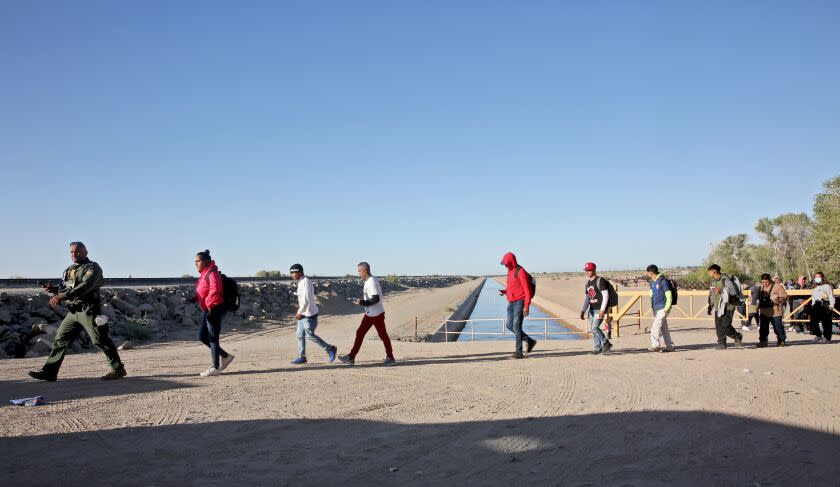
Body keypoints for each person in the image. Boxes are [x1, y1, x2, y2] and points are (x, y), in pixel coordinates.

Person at [28, 242, 126, 382]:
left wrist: (61, 296)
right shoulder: (69, 269)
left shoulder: (93, 268)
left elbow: (85, 286)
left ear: (85, 251)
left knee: (100, 340)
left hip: (88, 311)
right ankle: (49, 372)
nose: (74, 254)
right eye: (72, 252)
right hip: (73, 312)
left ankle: (118, 369)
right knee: (60, 340)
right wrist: (55, 290)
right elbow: (66, 288)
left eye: (77, 251)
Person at [338, 262, 396, 366]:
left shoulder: (372, 281)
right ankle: (351, 357)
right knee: (360, 333)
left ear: (365, 270)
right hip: (370, 313)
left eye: (359, 271)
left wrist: (361, 302)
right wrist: (362, 302)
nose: (359, 274)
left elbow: (375, 299)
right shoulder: (368, 281)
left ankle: (390, 357)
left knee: (383, 335)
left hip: (377, 314)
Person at [193, 250, 234, 377]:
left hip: (215, 307)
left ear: (205, 261)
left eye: (198, 261)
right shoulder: (205, 273)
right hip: (209, 308)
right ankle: (225, 356)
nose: (196, 264)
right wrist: (194, 299)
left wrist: (210, 306)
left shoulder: (212, 272)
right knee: (203, 337)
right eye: (195, 262)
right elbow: (204, 290)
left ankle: (214, 367)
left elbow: (215, 290)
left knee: (212, 337)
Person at [289, 263, 337, 365]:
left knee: (309, 335)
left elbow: (306, 301)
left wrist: (299, 312)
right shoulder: (301, 282)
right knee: (299, 335)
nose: (291, 275)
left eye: (293, 273)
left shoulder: (306, 282)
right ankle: (302, 357)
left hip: (309, 315)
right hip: (303, 314)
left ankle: (330, 349)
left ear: (299, 272)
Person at [498, 252, 537, 359]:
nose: (505, 266)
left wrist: (527, 305)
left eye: (506, 264)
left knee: (516, 326)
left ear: (511, 262)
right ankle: (529, 340)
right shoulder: (510, 272)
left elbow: (527, 290)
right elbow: (512, 286)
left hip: (520, 301)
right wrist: (505, 291)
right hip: (511, 303)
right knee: (509, 325)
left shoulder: (520, 272)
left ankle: (518, 352)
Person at [707, 264, 744, 349]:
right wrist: (710, 306)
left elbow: (733, 292)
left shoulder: (726, 280)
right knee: (719, 326)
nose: (709, 274)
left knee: (725, 325)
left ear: (714, 272)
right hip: (717, 307)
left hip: (728, 306)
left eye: (709, 272)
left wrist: (720, 290)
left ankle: (737, 336)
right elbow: (711, 295)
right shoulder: (712, 282)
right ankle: (722, 343)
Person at [580, 262, 614, 355]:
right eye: (586, 270)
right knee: (593, 329)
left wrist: (603, 309)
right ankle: (597, 348)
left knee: (595, 328)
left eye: (588, 270)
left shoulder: (600, 280)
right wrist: (583, 311)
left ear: (594, 270)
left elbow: (605, 295)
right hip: (591, 310)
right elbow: (587, 298)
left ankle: (606, 343)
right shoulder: (588, 283)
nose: (587, 272)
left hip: (599, 308)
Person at [646, 265, 675, 352]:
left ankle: (655, 345)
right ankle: (669, 345)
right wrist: (653, 307)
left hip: (663, 308)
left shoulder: (663, 281)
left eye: (648, 273)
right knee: (663, 328)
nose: (647, 274)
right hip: (656, 308)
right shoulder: (652, 282)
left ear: (651, 273)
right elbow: (652, 295)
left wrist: (667, 308)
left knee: (655, 326)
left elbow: (668, 295)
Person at [756, 273, 787, 347]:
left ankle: (781, 340)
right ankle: (763, 341)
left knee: (778, 327)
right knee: (763, 328)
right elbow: (758, 298)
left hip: (775, 311)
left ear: (770, 280)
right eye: (763, 282)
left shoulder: (778, 286)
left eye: (766, 282)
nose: (765, 284)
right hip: (764, 311)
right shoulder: (760, 287)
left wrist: (777, 299)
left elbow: (785, 296)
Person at [809, 272, 835, 343]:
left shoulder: (827, 286)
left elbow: (831, 297)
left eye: (818, 277)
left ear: (822, 277)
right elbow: (813, 299)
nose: (817, 279)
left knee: (826, 322)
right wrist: (812, 306)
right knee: (813, 322)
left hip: (825, 305)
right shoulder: (814, 288)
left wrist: (831, 306)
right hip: (816, 306)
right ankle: (818, 335)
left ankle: (827, 338)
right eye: (815, 277)